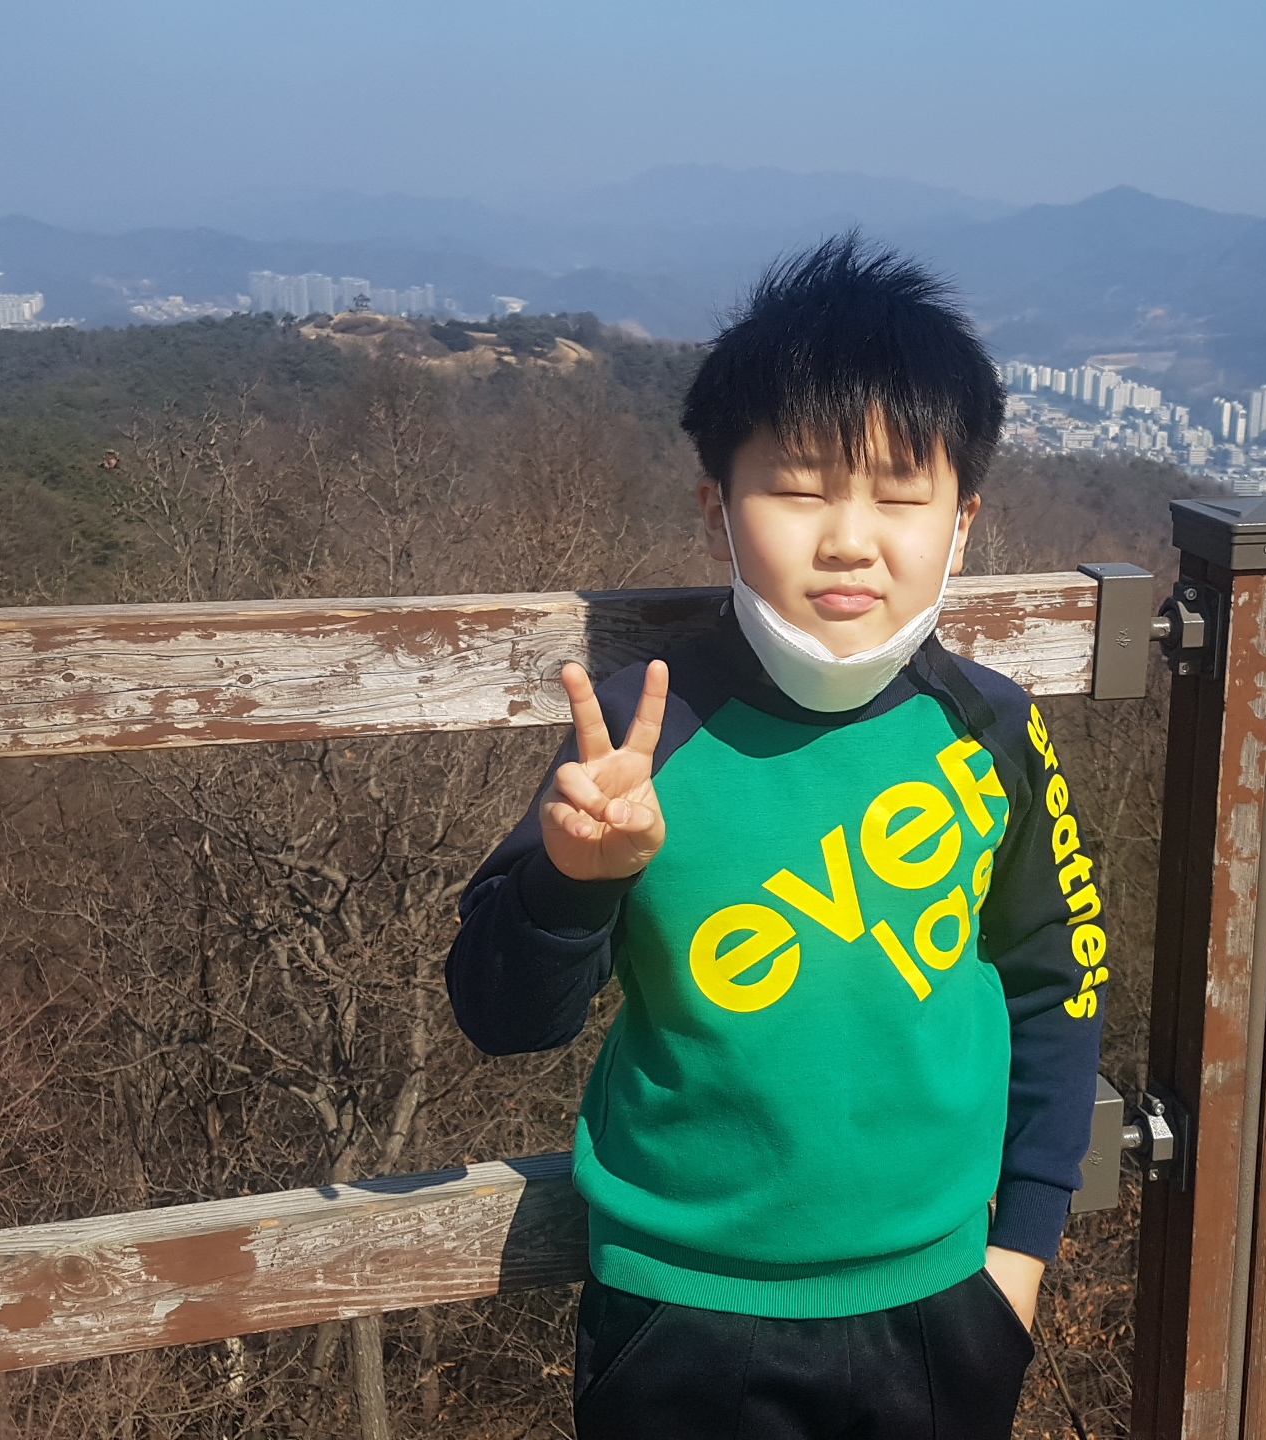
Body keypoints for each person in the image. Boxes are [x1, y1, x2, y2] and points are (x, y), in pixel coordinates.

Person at [445, 235, 1110, 1439]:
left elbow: (1054, 986)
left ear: (962, 525)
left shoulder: (994, 730)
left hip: (941, 1302)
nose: (849, 538)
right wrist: (576, 881)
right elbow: (503, 1017)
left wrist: (1020, 1254)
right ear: (717, 511)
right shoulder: (639, 739)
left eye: (901, 496)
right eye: (799, 489)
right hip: (680, 1312)